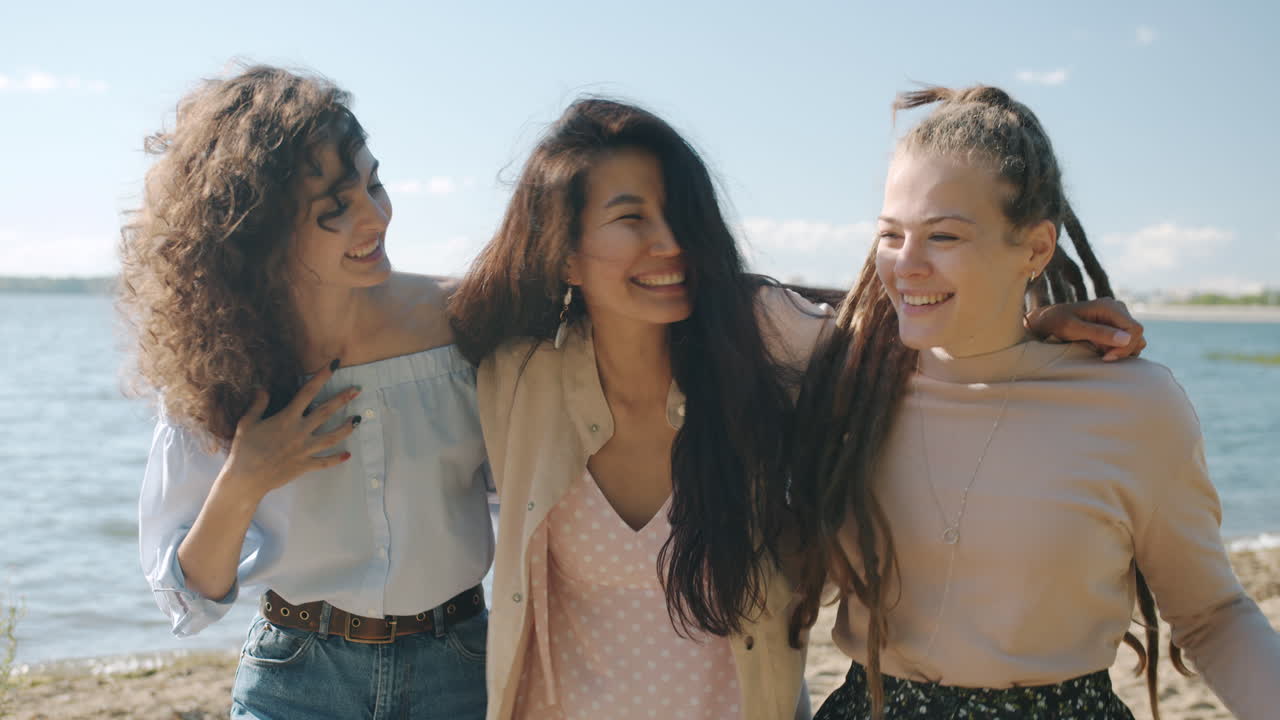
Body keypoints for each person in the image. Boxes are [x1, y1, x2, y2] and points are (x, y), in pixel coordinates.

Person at [447, 97, 1146, 720]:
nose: (672, 241)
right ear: (564, 254)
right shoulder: (518, 375)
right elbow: (414, 317)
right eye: (631, 218)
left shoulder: (762, 333)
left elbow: (904, 352)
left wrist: (1029, 328)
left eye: (680, 213)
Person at [789, 85, 1280, 720]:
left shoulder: (1134, 406)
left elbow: (1212, 614)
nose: (906, 264)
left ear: (1036, 249)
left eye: (943, 235)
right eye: (891, 234)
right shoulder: (849, 384)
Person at [121, 65, 491, 719]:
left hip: (460, 672)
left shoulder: (461, 322)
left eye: (374, 184)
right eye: (334, 209)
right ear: (260, 231)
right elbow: (192, 599)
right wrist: (245, 478)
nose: (375, 217)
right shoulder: (221, 366)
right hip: (295, 679)